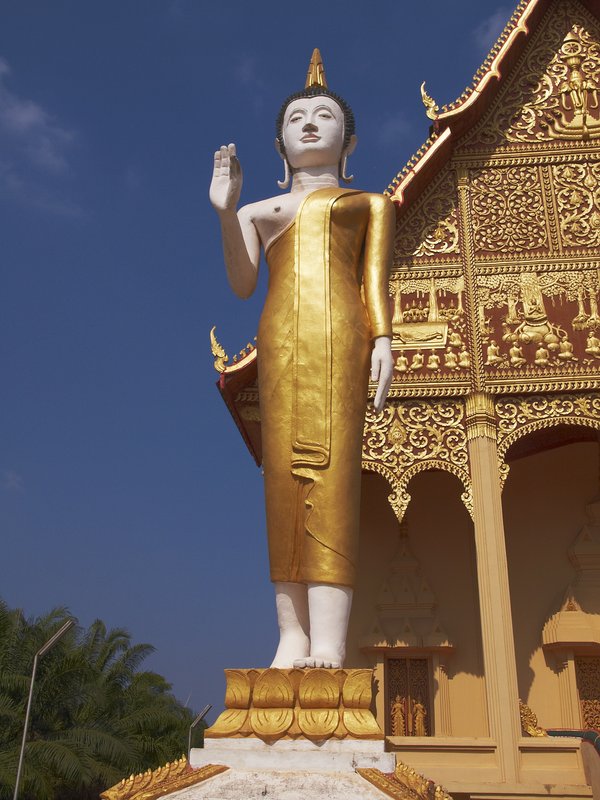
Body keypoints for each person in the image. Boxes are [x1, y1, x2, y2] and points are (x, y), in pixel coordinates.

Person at [210, 51, 394, 669]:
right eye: (297, 118)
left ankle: (331, 644)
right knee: (283, 481)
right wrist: (223, 209)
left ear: (349, 140)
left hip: (343, 338)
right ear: (281, 143)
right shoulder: (259, 213)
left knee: (333, 476)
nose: (310, 124)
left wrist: (385, 342)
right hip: (280, 343)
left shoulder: (368, 204)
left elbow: (374, 284)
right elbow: (242, 285)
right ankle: (291, 636)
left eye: (323, 116)